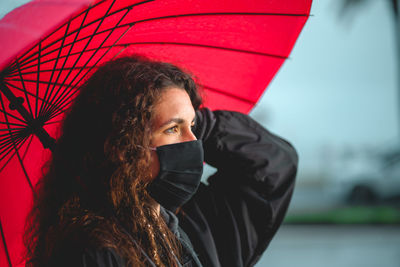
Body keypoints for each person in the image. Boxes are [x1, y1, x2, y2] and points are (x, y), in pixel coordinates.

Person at [23, 56, 298, 267]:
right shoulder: (91, 250)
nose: (193, 142)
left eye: (193, 127)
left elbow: (273, 167)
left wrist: (194, 121)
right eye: (172, 130)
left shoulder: (188, 225)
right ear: (122, 145)